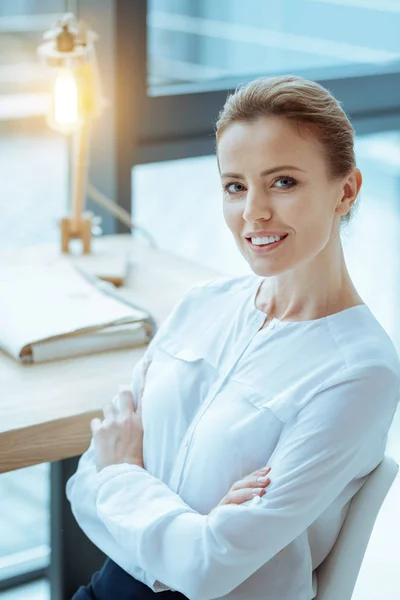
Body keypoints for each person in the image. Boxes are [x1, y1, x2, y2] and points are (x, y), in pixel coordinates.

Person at [67, 74, 400, 600]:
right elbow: (83, 484)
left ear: (347, 190)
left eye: (283, 182)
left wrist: (126, 476)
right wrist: (189, 530)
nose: (254, 212)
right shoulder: (203, 304)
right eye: (235, 186)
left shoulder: (361, 371)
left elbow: (206, 571)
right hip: (108, 589)